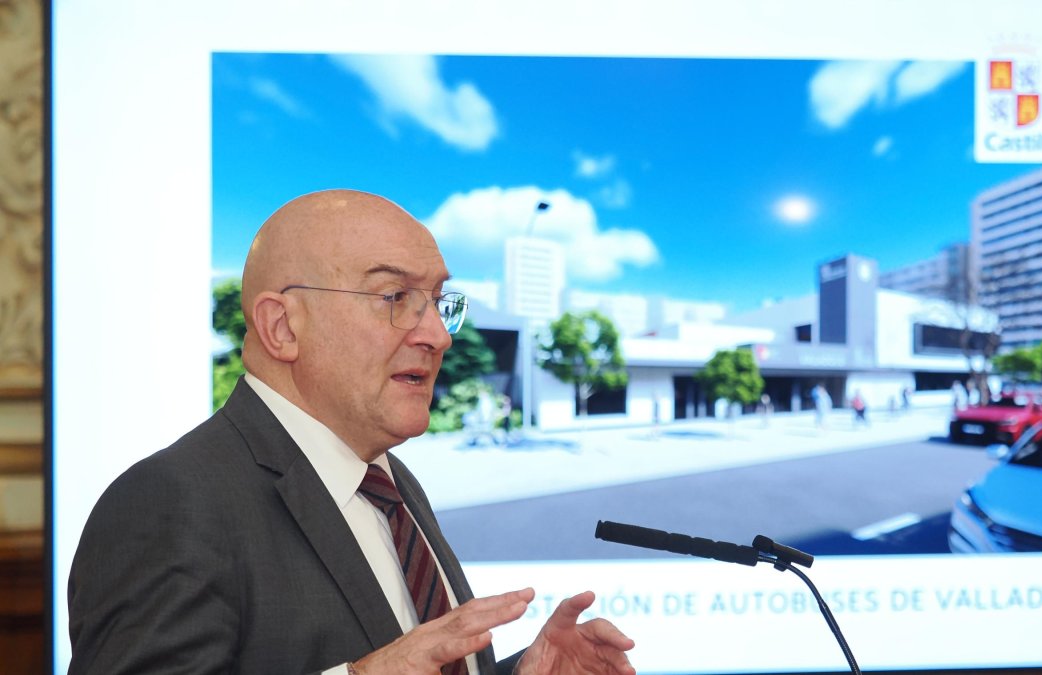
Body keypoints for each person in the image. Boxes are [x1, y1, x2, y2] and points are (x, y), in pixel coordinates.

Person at [67, 190, 636, 675]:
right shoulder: (167, 502)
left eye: (438, 302)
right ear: (282, 327)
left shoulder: (388, 481)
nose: (438, 335)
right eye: (396, 298)